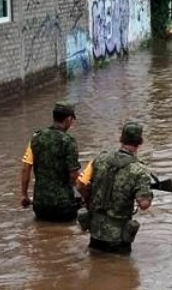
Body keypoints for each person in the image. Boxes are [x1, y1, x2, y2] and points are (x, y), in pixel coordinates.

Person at [76, 121, 153, 254]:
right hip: (119, 238)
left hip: (96, 232)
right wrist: (149, 194)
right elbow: (144, 204)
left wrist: (88, 199)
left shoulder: (100, 159)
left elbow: (80, 184)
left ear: (121, 139)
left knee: (94, 268)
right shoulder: (140, 171)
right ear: (140, 142)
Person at [20, 102, 81, 222]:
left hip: (40, 206)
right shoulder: (68, 141)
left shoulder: (36, 138)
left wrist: (24, 195)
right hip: (63, 206)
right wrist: (85, 195)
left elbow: (26, 168)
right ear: (68, 119)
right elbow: (73, 175)